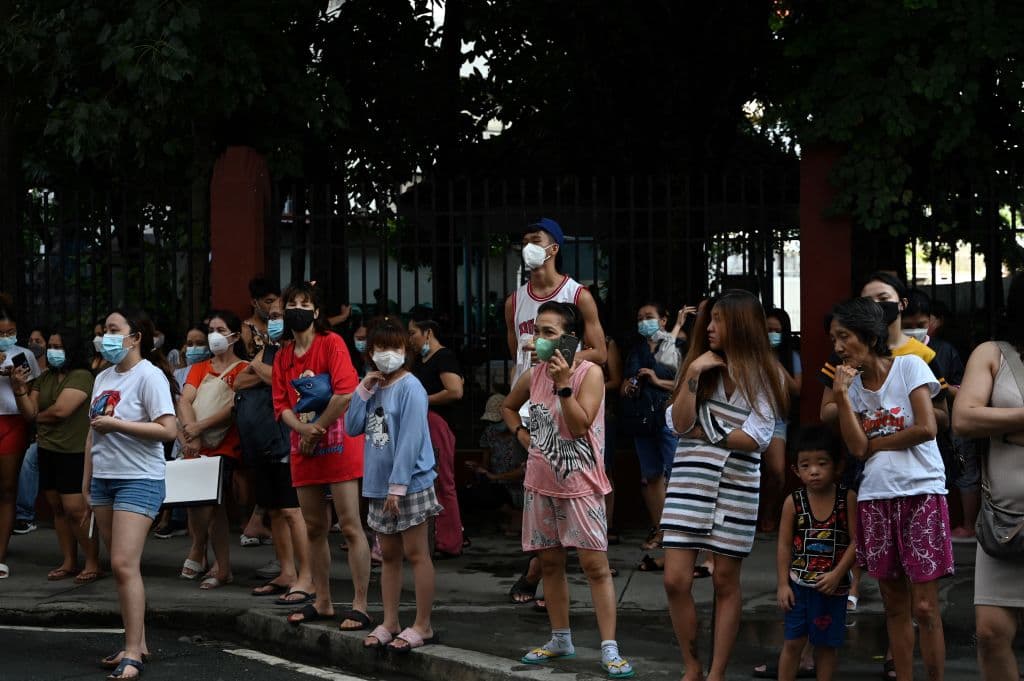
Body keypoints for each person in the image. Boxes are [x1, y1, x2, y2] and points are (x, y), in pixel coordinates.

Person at [501, 301, 634, 679]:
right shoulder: (532, 375)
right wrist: (522, 436)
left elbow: (578, 426)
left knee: (595, 567)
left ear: (570, 338)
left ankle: (610, 647)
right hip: (540, 483)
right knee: (549, 564)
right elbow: (509, 408)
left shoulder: (589, 374)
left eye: (548, 333)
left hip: (581, 486)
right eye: (537, 331)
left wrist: (563, 386)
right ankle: (561, 638)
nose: (538, 340)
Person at [661, 290, 787, 681]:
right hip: (689, 482)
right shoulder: (698, 366)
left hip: (737, 487)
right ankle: (692, 665)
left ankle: (715, 673)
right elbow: (678, 424)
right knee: (675, 580)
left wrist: (703, 429)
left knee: (725, 580)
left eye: (719, 319)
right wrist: (695, 374)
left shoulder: (764, 376)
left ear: (742, 325)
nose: (710, 327)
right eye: (710, 319)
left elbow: (757, 438)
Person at [828, 297, 951, 681]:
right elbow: (855, 449)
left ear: (868, 334)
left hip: (922, 492)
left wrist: (876, 442)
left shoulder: (909, 367)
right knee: (893, 605)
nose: (837, 347)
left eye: (843, 336)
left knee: (926, 608)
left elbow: (927, 428)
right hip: (875, 497)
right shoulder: (854, 388)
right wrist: (843, 398)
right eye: (834, 338)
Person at [84, 307, 178, 679]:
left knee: (124, 564)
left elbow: (168, 430)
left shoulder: (149, 376)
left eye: (112, 329)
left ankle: (133, 652)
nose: (104, 336)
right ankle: (136, 642)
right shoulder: (103, 377)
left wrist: (118, 425)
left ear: (135, 336)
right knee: (122, 568)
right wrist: (87, 481)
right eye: (103, 329)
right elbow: (92, 433)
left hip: (139, 478)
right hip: (104, 479)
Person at [272, 281, 371, 630]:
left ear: (316, 312)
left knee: (349, 525)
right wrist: (303, 433)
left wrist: (317, 429)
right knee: (314, 526)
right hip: (303, 446)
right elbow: (281, 405)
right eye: (292, 303)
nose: (298, 309)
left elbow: (346, 393)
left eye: (305, 303)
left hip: (339, 444)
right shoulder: (283, 356)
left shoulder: (332, 344)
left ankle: (360, 604)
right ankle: (323, 600)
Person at [346, 318, 441, 651]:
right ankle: (389, 621)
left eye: (396, 347)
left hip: (409, 484)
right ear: (370, 352)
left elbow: (412, 439)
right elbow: (353, 427)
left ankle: (423, 625)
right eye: (382, 348)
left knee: (417, 554)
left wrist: (397, 488)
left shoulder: (411, 386)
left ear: (406, 350)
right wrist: (362, 390)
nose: (389, 354)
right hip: (378, 485)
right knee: (388, 556)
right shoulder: (373, 386)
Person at [952, 271, 1024, 681]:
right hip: (1005, 522)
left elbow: (982, 418)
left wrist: (1002, 426)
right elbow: (964, 417)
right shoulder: (992, 353)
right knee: (992, 632)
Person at [234, 297, 315, 602]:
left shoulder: (297, 350)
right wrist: (263, 371)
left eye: (279, 316)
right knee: (276, 513)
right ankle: (287, 572)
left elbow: (288, 383)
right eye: (271, 317)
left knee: (293, 511)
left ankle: (307, 577)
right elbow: (238, 382)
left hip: (285, 439)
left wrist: (259, 368)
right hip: (262, 442)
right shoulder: (269, 350)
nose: (274, 321)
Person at [10, 329, 102, 583]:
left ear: (71, 350)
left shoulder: (82, 376)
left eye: (58, 346)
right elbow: (28, 408)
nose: (51, 351)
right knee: (57, 509)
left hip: (73, 452)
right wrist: (19, 388)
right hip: (48, 449)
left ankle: (93, 562)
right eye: (50, 346)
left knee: (75, 509)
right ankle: (69, 561)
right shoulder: (45, 377)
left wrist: (36, 416)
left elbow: (61, 411)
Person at [774, 425, 857, 681]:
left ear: (837, 466)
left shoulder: (847, 499)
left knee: (827, 645)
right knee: (793, 642)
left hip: (834, 589)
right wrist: (782, 585)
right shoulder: (794, 501)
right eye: (806, 465)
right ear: (795, 470)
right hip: (799, 586)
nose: (814, 471)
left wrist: (838, 574)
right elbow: (784, 545)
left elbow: (857, 542)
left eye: (822, 463)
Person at [175, 310, 249, 589]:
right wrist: (191, 433)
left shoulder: (244, 369)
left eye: (221, 329)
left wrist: (200, 426)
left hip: (224, 446)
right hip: (196, 446)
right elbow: (185, 401)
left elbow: (233, 409)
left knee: (209, 503)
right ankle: (221, 566)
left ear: (234, 335)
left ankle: (198, 548)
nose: (214, 335)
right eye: (211, 330)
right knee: (204, 504)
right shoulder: (200, 367)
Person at [903, 289, 977, 542]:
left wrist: (947, 393)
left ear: (933, 321)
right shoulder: (890, 352)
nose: (915, 330)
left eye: (921, 325)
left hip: (945, 426)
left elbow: (962, 390)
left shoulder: (942, 351)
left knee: (952, 473)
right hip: (906, 429)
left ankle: (954, 527)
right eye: (907, 326)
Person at [622, 302, 681, 554]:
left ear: (664, 320)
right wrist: (629, 387)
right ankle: (660, 528)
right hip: (641, 419)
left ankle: (681, 530)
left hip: (669, 418)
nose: (644, 321)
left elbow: (687, 385)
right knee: (651, 476)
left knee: (676, 473)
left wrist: (657, 381)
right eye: (640, 317)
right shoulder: (635, 351)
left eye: (649, 317)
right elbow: (624, 383)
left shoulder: (677, 346)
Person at [408, 312, 465, 558]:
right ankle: (436, 538)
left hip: (437, 423)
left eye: (412, 333)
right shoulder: (421, 360)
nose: (410, 338)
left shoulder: (444, 357)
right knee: (428, 482)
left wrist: (421, 400)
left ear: (427, 333)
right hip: (424, 423)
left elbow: (455, 391)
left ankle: (449, 541)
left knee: (443, 482)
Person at [0, 302, 41, 578]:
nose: (6, 337)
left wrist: (17, 381)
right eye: (1, 333)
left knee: (7, 489)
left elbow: (32, 391)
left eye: (10, 332)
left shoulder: (23, 355)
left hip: (12, 420)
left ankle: (0, 553)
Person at [762, 307, 802, 533]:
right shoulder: (751, 355)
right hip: (748, 419)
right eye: (768, 330)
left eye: (777, 330)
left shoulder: (791, 357)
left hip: (776, 421)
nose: (772, 334)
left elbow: (797, 388)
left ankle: (768, 512)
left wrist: (776, 364)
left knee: (777, 472)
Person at [470, 393, 527, 537]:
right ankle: (510, 518)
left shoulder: (522, 434)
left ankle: (517, 518)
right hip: (498, 485)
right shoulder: (490, 433)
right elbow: (486, 463)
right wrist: (479, 469)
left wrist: (497, 477)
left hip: (519, 485)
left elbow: (525, 469)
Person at [241, 276, 280, 358]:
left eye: (276, 302)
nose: (274, 306)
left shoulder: (278, 326)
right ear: (254, 303)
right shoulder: (246, 330)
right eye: (269, 302)